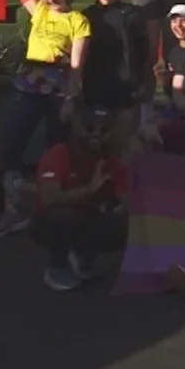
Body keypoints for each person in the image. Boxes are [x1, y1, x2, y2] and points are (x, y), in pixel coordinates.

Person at [0, 0, 89, 237]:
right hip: (29, 83)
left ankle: (54, 212)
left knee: (56, 150)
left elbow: (77, 65)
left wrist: (71, 97)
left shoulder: (77, 21)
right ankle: (15, 210)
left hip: (59, 87)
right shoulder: (39, 13)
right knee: (11, 146)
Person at [30, 108, 129, 291]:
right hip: (52, 220)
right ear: (79, 129)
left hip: (90, 217)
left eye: (104, 130)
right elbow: (48, 198)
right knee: (63, 217)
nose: (96, 134)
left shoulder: (112, 161)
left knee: (127, 224)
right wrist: (89, 189)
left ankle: (85, 261)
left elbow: (128, 202)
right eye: (90, 128)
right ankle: (57, 266)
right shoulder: (59, 153)